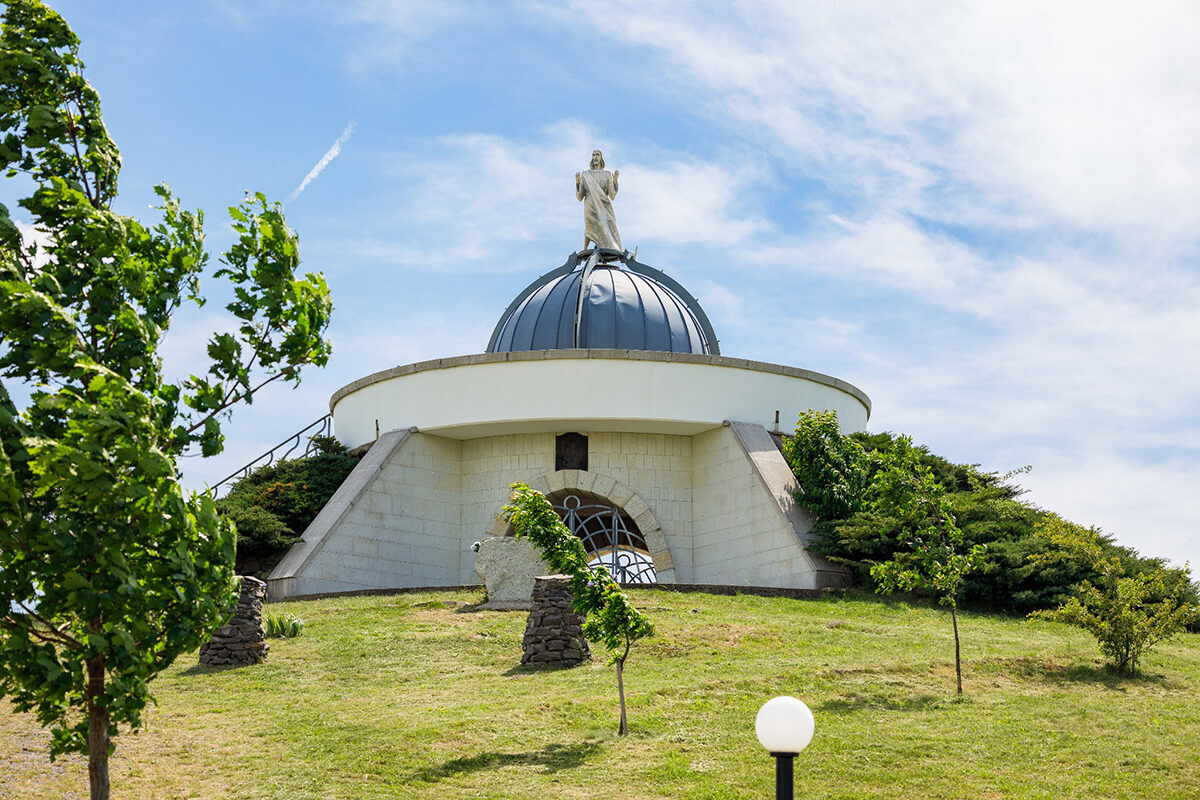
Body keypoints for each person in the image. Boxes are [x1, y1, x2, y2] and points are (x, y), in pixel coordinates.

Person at [575, 149, 621, 251]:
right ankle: (585, 249)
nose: (595, 157)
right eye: (593, 155)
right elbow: (579, 196)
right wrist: (578, 182)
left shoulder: (607, 174)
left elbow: (612, 195)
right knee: (589, 227)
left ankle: (608, 248)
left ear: (601, 158)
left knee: (606, 227)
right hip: (590, 205)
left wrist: (615, 180)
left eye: (597, 155)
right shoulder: (586, 175)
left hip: (603, 206)